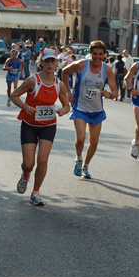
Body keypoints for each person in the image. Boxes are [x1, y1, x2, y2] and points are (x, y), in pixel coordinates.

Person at [11, 48, 69, 205]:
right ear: (41, 63)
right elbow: (14, 95)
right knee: (29, 164)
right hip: (30, 124)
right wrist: (25, 107)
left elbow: (67, 105)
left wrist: (64, 110)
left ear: (57, 63)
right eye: (47, 61)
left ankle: (35, 192)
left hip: (48, 125)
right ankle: (25, 175)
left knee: (42, 160)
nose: (50, 64)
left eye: (53, 61)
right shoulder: (32, 81)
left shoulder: (59, 84)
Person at [61, 40, 117, 179]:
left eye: (100, 54)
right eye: (94, 54)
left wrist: (109, 94)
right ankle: (78, 158)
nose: (97, 57)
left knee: (94, 141)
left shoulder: (107, 70)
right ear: (90, 54)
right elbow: (64, 72)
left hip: (96, 110)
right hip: (80, 107)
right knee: (81, 138)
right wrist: (68, 91)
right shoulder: (81, 65)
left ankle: (86, 165)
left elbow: (116, 92)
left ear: (104, 55)